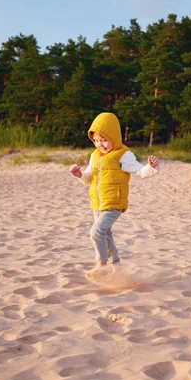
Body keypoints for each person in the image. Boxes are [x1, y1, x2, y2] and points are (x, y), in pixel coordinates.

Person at [69, 112, 159, 279]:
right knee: (106, 234)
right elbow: (88, 178)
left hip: (114, 202)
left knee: (96, 231)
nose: (100, 144)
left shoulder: (123, 155)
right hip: (97, 203)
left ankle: (102, 264)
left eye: (104, 139)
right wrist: (79, 174)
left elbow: (140, 172)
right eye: (96, 140)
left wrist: (151, 167)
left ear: (114, 137)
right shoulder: (94, 155)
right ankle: (116, 266)